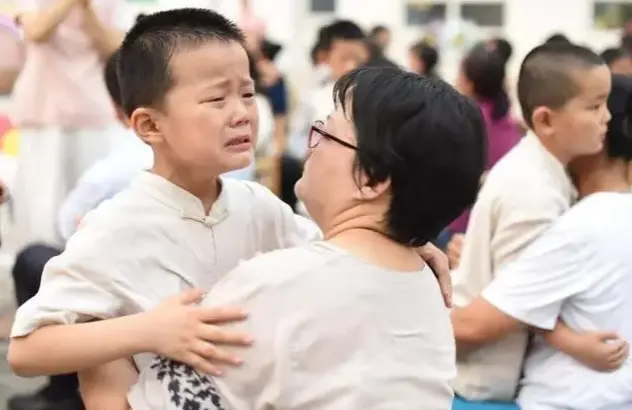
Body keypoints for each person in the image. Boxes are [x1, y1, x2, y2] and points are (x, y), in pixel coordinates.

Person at [6, 10, 452, 409]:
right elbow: (28, 350)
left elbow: (339, 255)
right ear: (148, 124)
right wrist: (149, 331)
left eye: (247, 93)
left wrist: (410, 245)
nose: (242, 114)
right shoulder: (114, 226)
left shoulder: (259, 207)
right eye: (217, 99)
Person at [124, 66, 487, 410]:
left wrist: (106, 331)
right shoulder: (426, 284)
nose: (309, 148)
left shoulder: (274, 284)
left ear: (373, 179)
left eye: (325, 134)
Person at [453, 74, 632, 410]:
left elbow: (474, 324)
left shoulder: (581, 227)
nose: (599, 119)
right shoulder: (602, 214)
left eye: (598, 109)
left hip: (562, 400)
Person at [10, 0, 128, 248]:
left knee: (89, 206)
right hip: (43, 117)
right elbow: (37, 31)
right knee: (42, 207)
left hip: (92, 113)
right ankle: (36, 271)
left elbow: (112, 47)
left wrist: (85, 9)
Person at [443, 44, 521, 242]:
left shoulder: (462, 120)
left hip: (460, 225)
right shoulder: (510, 123)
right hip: (501, 222)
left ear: (469, 83)